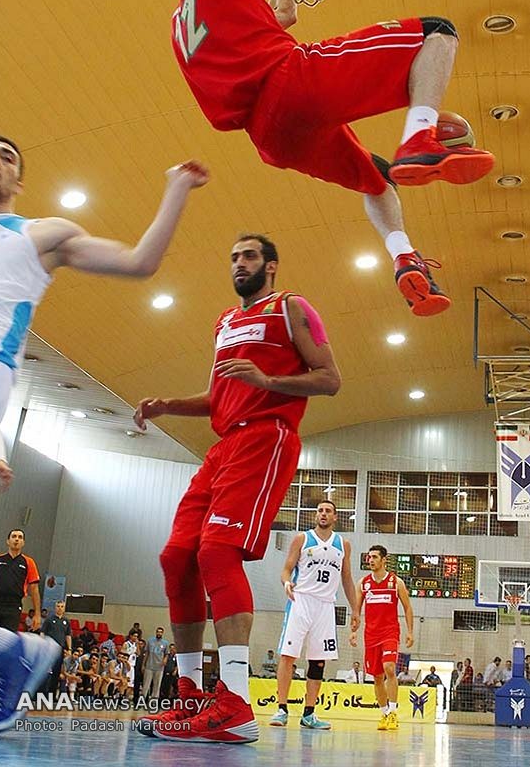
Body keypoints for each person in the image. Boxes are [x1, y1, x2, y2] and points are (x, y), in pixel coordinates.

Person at [0, 134, 208, 736]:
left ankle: (12, 652)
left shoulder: (38, 235)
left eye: (5, 156)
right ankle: (11, 652)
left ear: (19, 182)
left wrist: (175, 190)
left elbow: (139, 262)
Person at [171, 0, 495, 319]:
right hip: (291, 84)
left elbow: (284, 15)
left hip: (271, 137)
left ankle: (404, 257)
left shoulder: (184, 20)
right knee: (437, 32)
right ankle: (420, 137)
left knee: (378, 178)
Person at [133, 233, 340, 744]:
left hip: (267, 437)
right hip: (224, 446)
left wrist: (268, 380)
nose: (238, 263)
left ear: (271, 265)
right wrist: (168, 405)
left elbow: (329, 379)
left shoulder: (292, 307)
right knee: (177, 556)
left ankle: (236, 704)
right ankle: (188, 696)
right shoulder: (224, 321)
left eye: (248, 255)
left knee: (217, 550)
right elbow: (219, 395)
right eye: (233, 257)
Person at [269, 499, 358, 730]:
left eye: (328, 511)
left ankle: (309, 714)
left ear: (335, 517)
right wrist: (286, 582)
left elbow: (347, 579)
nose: (323, 514)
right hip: (301, 601)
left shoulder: (343, 544)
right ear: (316, 515)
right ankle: (281, 709)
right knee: (288, 656)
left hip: (326, 606)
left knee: (318, 661)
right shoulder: (302, 538)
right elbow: (286, 569)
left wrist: (356, 609)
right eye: (320, 510)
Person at [349, 544, 414, 732]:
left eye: (375, 557)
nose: (370, 560)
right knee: (377, 677)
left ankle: (393, 713)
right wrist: (353, 631)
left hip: (390, 632)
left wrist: (410, 631)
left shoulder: (396, 582)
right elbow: (356, 611)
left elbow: (407, 608)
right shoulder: (363, 584)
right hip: (370, 635)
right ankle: (384, 713)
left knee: (389, 668)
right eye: (369, 557)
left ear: (384, 560)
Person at [0, 530, 41, 633]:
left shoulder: (29, 562)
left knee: (7, 640)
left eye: (20, 537)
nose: (17, 539)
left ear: (23, 543)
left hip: (13, 607)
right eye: (14, 536)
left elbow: (34, 590)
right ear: (8, 541)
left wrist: (37, 614)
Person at [40, 600, 72, 698]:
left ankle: (52, 695)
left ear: (64, 608)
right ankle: (42, 694)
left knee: (56, 672)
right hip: (49, 649)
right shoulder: (49, 620)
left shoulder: (66, 621)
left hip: (60, 649)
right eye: (58, 606)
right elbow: (42, 633)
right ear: (55, 608)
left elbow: (68, 635)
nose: (60, 608)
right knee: (46, 671)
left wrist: (69, 648)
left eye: (62, 606)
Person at [142, 627, 170, 704]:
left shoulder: (165, 643)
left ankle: (154, 701)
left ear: (162, 633)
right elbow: (147, 653)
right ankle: (142, 700)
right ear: (156, 632)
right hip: (149, 666)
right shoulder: (150, 641)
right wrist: (143, 665)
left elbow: (166, 654)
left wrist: (165, 660)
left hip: (159, 667)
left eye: (160, 632)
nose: (159, 633)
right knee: (146, 685)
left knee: (157, 685)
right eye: (158, 632)